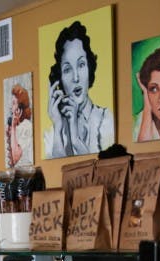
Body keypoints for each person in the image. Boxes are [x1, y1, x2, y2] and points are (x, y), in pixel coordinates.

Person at [44, 21, 114, 158]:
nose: (76, 78)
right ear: (60, 79)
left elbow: (102, 172)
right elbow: (58, 172)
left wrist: (75, 140)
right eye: (67, 69)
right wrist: (58, 127)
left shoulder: (105, 118)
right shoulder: (52, 132)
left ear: (89, 68)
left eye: (81, 65)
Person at [6, 84, 33, 168]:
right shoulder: (12, 127)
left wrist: (13, 127)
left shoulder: (26, 126)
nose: (11, 107)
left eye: (14, 103)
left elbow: (15, 158)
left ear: (20, 109)